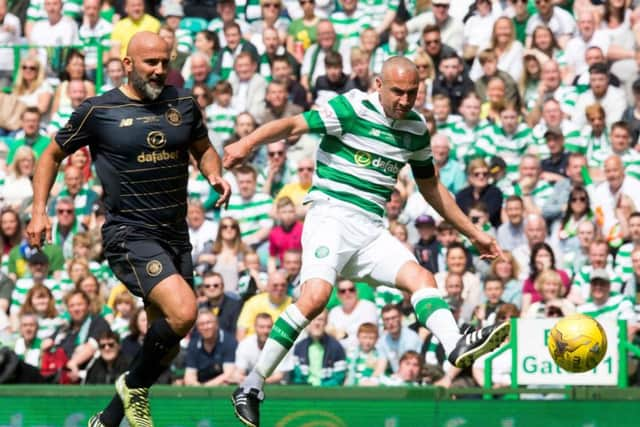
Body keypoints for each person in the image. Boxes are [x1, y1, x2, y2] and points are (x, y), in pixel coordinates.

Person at [225, 57, 509, 427]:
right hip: (331, 216)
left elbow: (431, 187)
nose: (405, 100)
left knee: (423, 279)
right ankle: (251, 385)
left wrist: (474, 233)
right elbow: (295, 123)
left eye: (412, 92)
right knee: (313, 299)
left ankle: (455, 345)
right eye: (398, 92)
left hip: (372, 230)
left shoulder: (416, 129)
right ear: (379, 84)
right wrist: (246, 143)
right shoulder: (352, 108)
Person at [26, 32, 231, 427]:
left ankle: (109, 418)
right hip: (130, 234)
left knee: (166, 344)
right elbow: (50, 155)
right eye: (150, 62)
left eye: (164, 62)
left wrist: (215, 174)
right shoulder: (98, 110)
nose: (159, 70)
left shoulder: (183, 103)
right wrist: (39, 211)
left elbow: (202, 147)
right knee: (185, 311)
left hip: (175, 235)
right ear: (127, 64)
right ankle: (133, 387)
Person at [290, 309, 346, 386]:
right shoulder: (299, 347)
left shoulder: (336, 347)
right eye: (313, 319)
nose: (316, 323)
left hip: (328, 394)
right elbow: (297, 377)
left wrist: (321, 390)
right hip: (304, 393)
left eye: (320, 319)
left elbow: (339, 378)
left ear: (326, 323)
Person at [183, 310, 237, 386]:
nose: (205, 327)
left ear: (216, 324)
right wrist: (199, 388)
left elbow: (229, 374)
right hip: (199, 387)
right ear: (197, 328)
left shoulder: (229, 342)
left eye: (208, 323)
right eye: (201, 324)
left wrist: (206, 387)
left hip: (222, 389)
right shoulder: (193, 344)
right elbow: (189, 376)